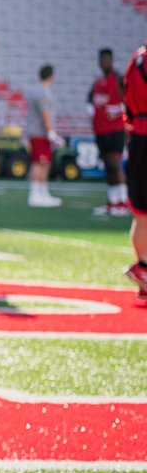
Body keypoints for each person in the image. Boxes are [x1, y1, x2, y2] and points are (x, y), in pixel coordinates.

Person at [90, 48, 131, 217]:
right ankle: (112, 201)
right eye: (101, 60)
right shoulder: (98, 82)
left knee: (115, 163)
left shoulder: (119, 78)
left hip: (116, 128)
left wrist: (120, 110)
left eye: (106, 60)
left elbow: (130, 98)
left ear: (111, 60)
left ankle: (122, 202)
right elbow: (91, 101)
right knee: (107, 165)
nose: (103, 63)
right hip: (100, 129)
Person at [122, 43, 147, 298]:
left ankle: (144, 278)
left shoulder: (137, 58)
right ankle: (144, 269)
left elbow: (127, 100)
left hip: (138, 134)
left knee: (141, 214)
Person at [25, 64, 63, 208]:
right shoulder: (43, 92)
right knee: (39, 162)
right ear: (52, 76)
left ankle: (42, 192)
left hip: (39, 133)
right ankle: (35, 194)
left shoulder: (37, 90)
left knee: (45, 163)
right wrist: (51, 132)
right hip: (39, 133)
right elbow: (44, 114)